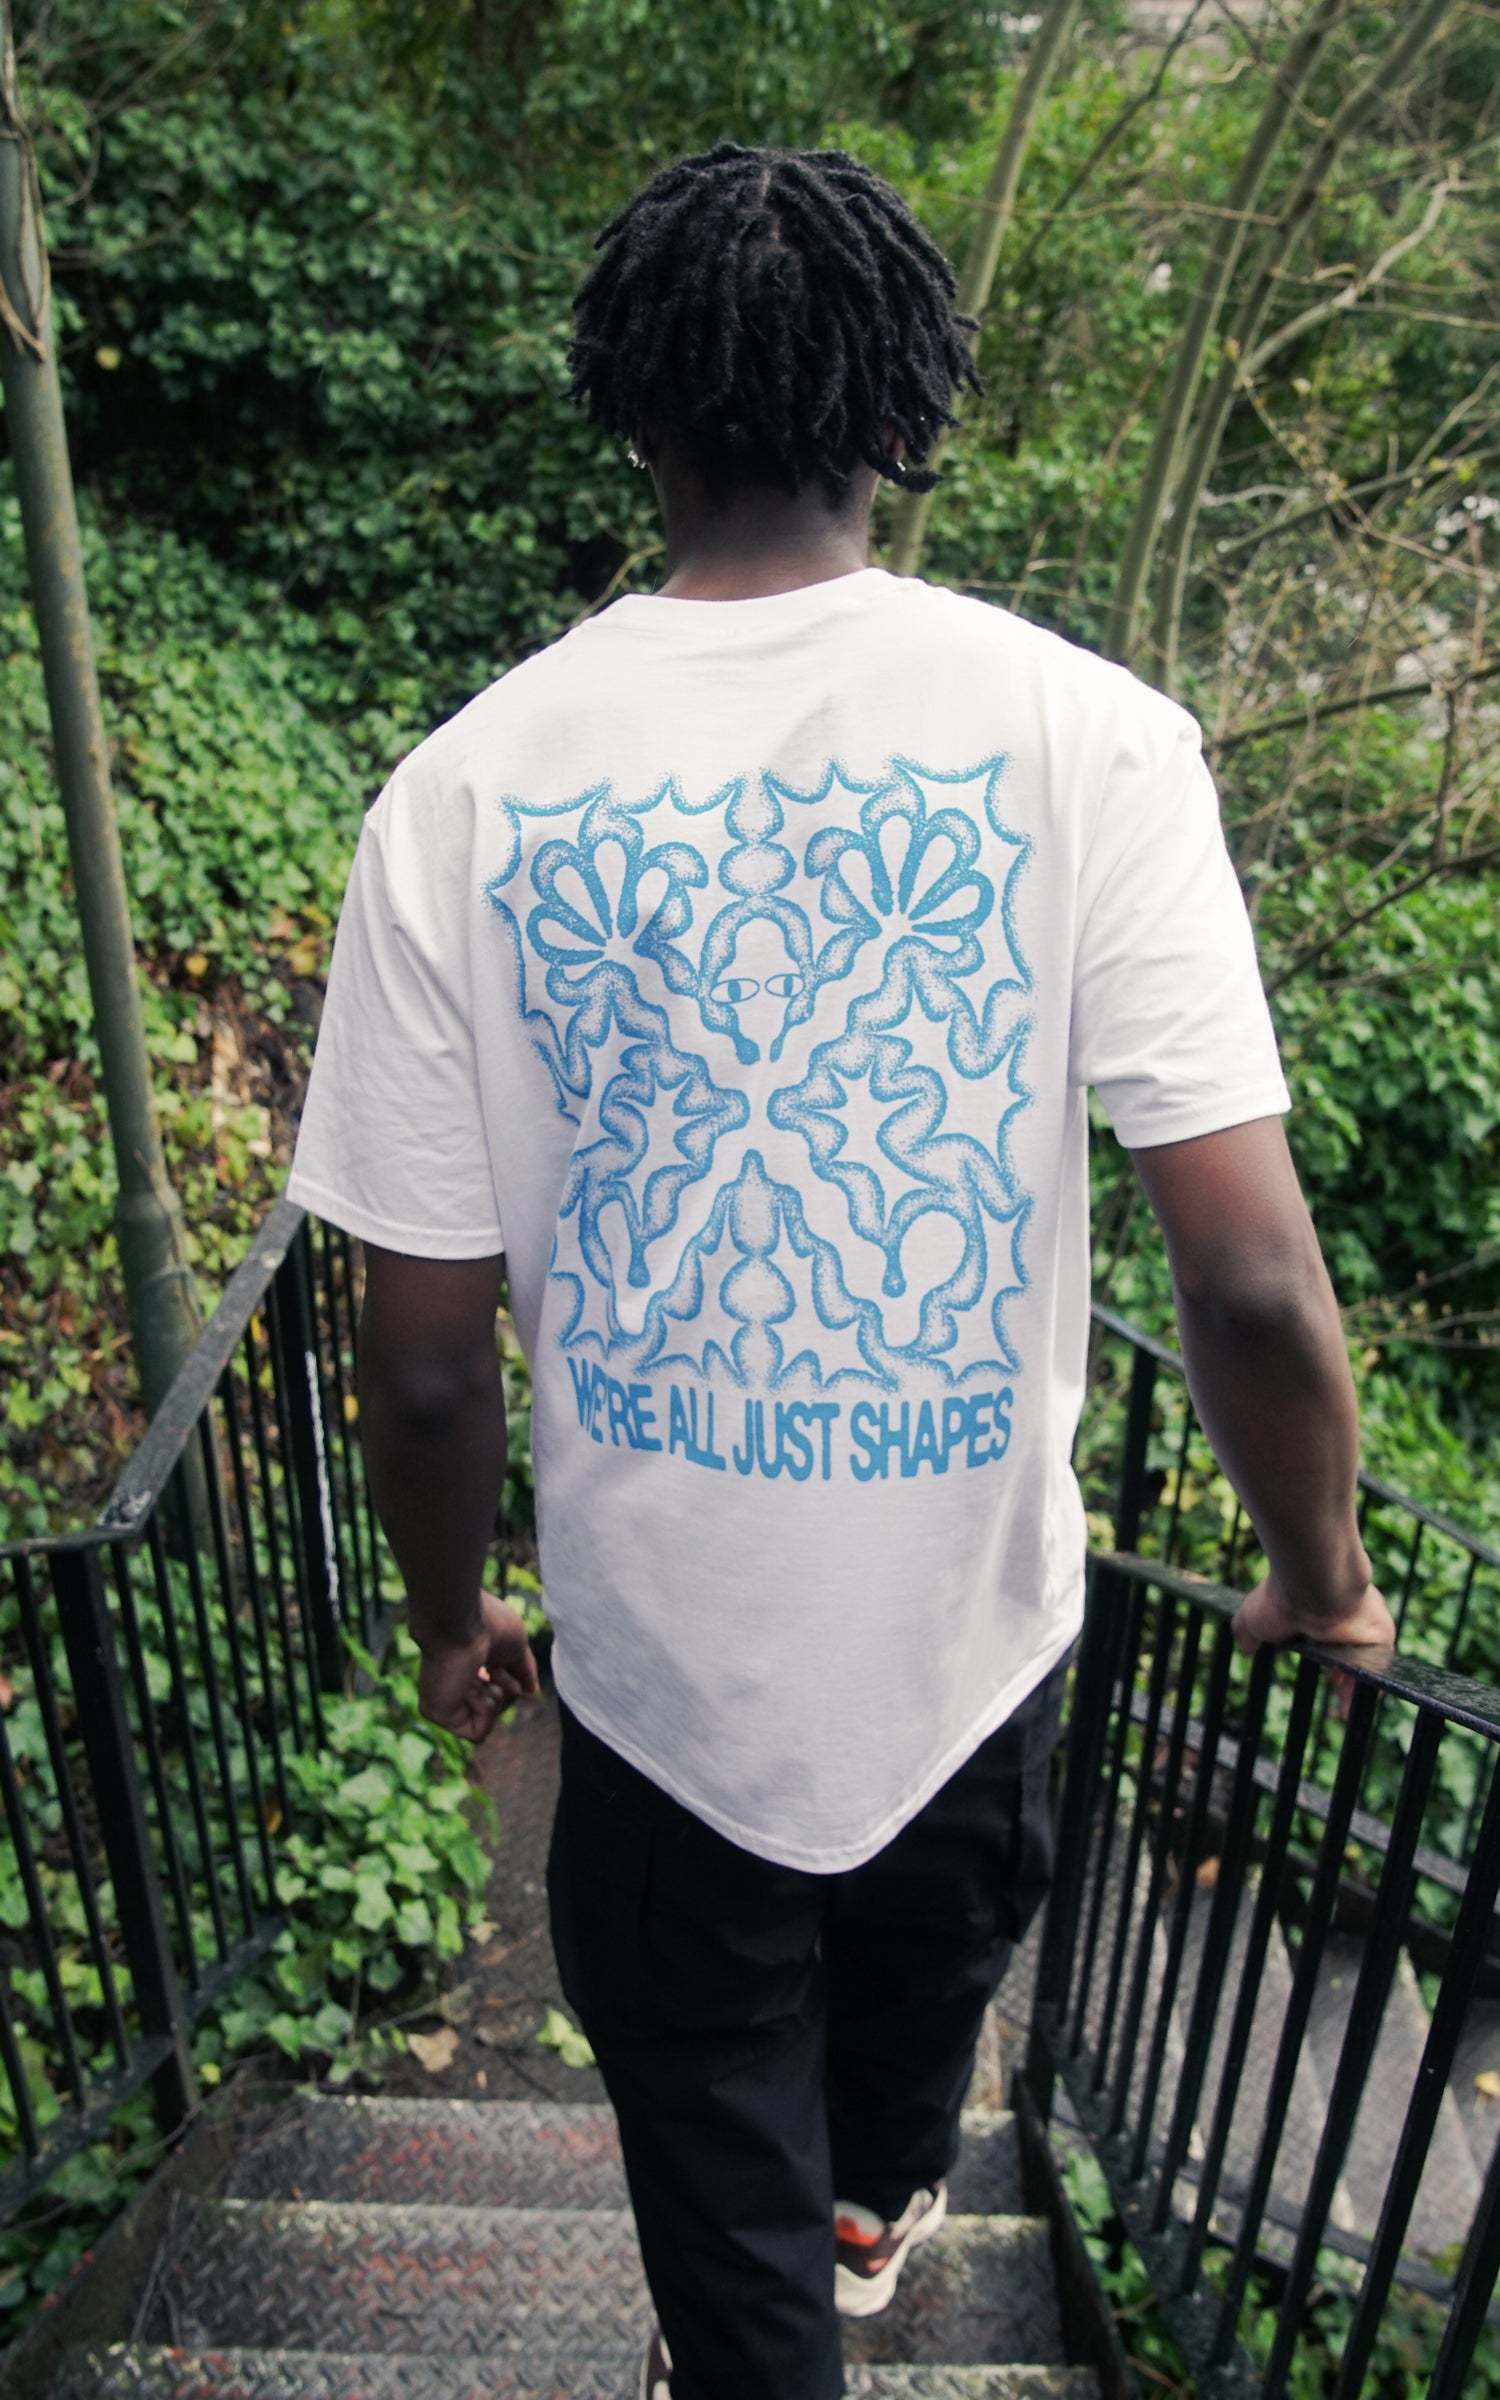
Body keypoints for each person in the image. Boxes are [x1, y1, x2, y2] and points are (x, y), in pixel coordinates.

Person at [286, 141, 1395, 2400]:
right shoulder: (1092, 738)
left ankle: (805, 2277)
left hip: (656, 1689)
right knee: (915, 2035)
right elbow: (1252, 1277)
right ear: (901, 407)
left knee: (729, 2226)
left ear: (636, 414)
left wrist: (450, 1614)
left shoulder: (457, 797)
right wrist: (1323, 1571)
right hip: (974, 1648)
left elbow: (421, 1371)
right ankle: (881, 2197)